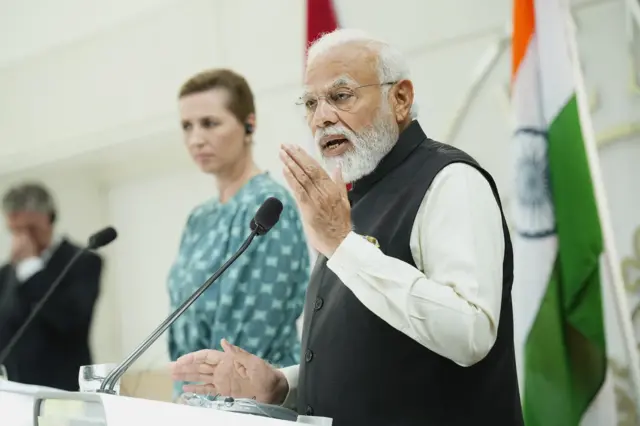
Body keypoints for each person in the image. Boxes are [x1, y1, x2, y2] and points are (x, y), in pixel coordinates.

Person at [170, 30, 524, 426]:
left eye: (341, 97)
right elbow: (371, 356)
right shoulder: (350, 200)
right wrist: (281, 386)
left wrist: (342, 244)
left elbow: (470, 334)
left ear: (401, 98)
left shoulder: (450, 180)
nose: (321, 117)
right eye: (310, 103)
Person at [167, 68, 310, 399]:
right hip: (194, 402)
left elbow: (244, 342)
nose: (195, 139)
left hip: (251, 401)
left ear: (249, 124)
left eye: (210, 123)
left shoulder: (268, 206)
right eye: (187, 126)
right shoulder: (198, 218)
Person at [0, 183, 102, 391]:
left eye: (30, 229)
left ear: (50, 218)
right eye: (15, 230)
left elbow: (71, 320)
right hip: (15, 391)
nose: (23, 238)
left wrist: (31, 268)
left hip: (63, 388)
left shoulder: (83, 261)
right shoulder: (6, 273)